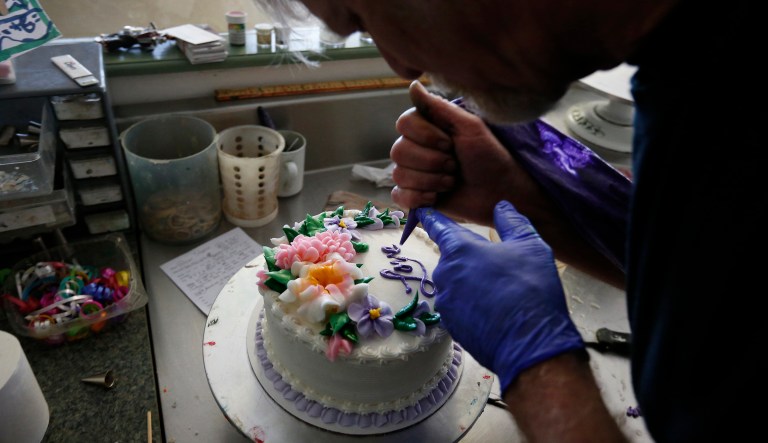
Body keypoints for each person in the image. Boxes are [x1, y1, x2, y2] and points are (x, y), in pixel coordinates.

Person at [257, 1, 765, 441]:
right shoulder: (693, 66)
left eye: (366, 14)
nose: (401, 64)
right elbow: (705, 279)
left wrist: (536, 362)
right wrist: (518, 196)